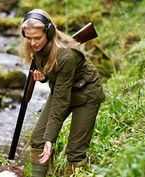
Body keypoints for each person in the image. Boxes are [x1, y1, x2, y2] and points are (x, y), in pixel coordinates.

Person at [20, 9, 105, 176]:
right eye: (28, 38)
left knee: (75, 152)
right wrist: (43, 77)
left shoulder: (66, 55)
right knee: (38, 140)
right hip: (62, 88)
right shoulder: (37, 47)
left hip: (86, 94)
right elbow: (53, 74)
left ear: (49, 32)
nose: (33, 43)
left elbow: (61, 100)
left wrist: (50, 139)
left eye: (37, 38)